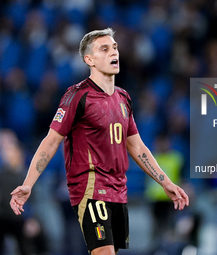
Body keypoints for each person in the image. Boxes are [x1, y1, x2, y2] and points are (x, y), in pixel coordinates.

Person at [10, 28, 189, 255]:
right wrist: (28, 183)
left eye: (114, 47)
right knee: (104, 252)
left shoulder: (123, 98)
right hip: (91, 188)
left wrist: (165, 182)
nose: (113, 52)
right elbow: (51, 141)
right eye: (104, 49)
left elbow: (136, 146)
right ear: (89, 59)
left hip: (118, 188)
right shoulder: (77, 95)